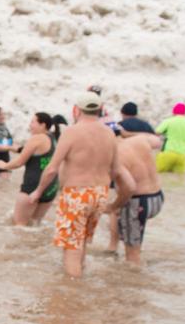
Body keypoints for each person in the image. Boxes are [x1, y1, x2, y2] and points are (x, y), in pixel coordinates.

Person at [32, 93, 134, 278]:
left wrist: (38, 191)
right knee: (82, 244)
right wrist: (117, 201)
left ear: (76, 110)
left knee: (71, 248)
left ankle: (73, 296)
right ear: (99, 109)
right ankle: (82, 285)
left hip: (76, 194)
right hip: (99, 194)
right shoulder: (109, 133)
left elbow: (51, 169)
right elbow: (117, 170)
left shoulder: (71, 132)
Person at [0, 112, 62, 226]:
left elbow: (19, 162)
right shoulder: (53, 138)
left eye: (33, 122)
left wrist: (3, 165)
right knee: (35, 225)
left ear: (42, 125)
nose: (29, 125)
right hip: (50, 188)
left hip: (32, 186)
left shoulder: (36, 138)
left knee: (19, 226)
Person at [114, 134, 165, 265]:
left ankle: (134, 280)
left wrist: (115, 205)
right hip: (157, 197)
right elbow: (158, 142)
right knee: (136, 239)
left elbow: (130, 187)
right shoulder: (140, 139)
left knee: (132, 256)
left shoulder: (115, 155)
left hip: (137, 203)